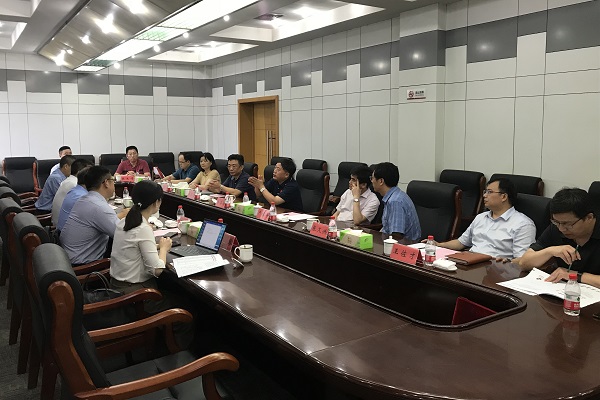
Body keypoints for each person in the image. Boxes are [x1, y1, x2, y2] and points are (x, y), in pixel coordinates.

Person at [109, 180, 194, 348]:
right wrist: (164, 248)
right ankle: (179, 353)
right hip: (137, 295)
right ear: (157, 202)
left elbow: (134, 247)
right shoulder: (142, 227)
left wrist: (156, 246)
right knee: (188, 308)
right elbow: (157, 270)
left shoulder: (125, 221)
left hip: (117, 287)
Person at [433, 178, 536, 261]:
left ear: (504, 197)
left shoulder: (523, 224)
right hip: (469, 262)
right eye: (485, 192)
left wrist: (508, 262)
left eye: (489, 192)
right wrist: (438, 245)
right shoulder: (480, 217)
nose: (484, 195)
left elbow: (522, 260)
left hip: (496, 269)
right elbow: (461, 243)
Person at [521, 188, 600, 288]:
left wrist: (575, 275)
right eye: (556, 222)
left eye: (568, 224)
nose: (561, 229)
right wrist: (550, 251)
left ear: (589, 217)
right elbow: (524, 263)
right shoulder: (556, 228)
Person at [60, 166, 129, 264]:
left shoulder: (84, 199)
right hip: (83, 264)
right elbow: (124, 235)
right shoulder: (98, 206)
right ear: (106, 183)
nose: (114, 184)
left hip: (69, 256)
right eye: (113, 180)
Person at [370, 162, 420, 240]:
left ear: (381, 181)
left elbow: (396, 236)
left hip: (404, 245)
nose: (372, 181)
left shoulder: (395, 201)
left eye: (372, 178)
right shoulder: (394, 196)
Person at [51, 158, 94, 227]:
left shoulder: (68, 180)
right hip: (63, 227)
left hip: (58, 223)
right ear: (80, 172)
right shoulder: (75, 184)